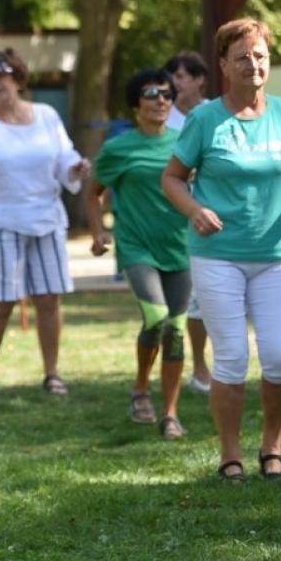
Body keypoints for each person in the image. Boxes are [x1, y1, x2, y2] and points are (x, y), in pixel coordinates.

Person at [162, 18, 281, 481]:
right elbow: (173, 179)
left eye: (260, 55)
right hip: (218, 254)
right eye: (242, 57)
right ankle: (230, 453)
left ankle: (272, 446)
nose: (253, 64)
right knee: (233, 358)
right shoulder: (204, 119)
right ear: (223, 64)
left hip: (277, 253)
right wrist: (195, 210)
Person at [0, 49, 91, 402]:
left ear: (18, 79)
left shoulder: (47, 116)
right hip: (0, 220)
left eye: (1, 75)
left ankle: (52, 374)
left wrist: (76, 169)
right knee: (1, 303)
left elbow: (64, 159)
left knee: (48, 300)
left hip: (46, 219)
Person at [87, 69, 191, 439]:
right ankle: (141, 387)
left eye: (166, 94)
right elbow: (93, 191)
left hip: (180, 246)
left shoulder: (184, 143)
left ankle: (171, 413)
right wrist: (99, 232)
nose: (161, 100)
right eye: (151, 94)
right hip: (136, 246)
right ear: (136, 105)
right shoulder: (119, 148)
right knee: (157, 316)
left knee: (176, 330)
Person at [165, 49, 215, 393]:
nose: (175, 84)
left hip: (211, 219)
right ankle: (196, 366)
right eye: (172, 77)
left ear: (199, 79)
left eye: (182, 76)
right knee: (183, 300)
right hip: (171, 221)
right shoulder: (161, 118)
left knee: (207, 296)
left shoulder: (216, 114)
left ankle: (210, 366)